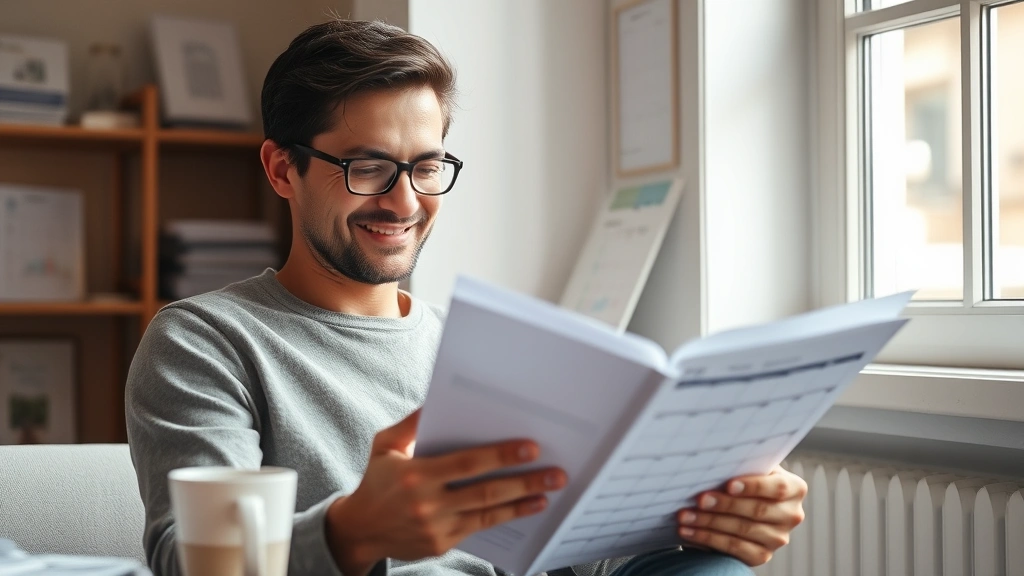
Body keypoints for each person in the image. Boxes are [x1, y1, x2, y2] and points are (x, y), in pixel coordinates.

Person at [126, 19, 807, 576]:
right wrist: (352, 532)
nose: (404, 200)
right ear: (283, 169)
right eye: (367, 167)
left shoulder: (480, 348)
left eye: (425, 166)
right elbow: (191, 563)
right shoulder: (205, 341)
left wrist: (711, 519)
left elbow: (564, 546)